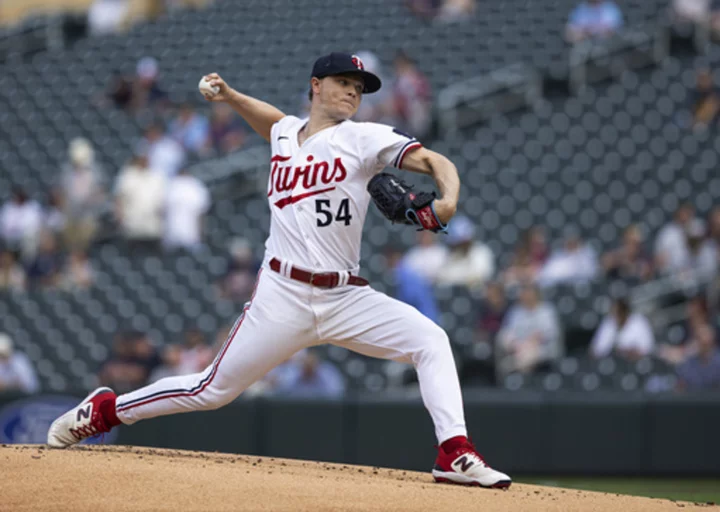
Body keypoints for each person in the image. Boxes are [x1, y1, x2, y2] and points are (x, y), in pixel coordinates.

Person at [48, 52, 511, 488]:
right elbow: (272, 122)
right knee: (212, 389)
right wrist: (231, 97)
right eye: (343, 83)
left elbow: (434, 161)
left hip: (344, 296)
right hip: (281, 294)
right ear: (316, 85)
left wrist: (447, 198)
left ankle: (454, 453)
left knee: (430, 340)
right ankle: (106, 411)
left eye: (359, 86)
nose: (353, 92)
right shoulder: (285, 133)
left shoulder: (363, 137)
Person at [496, 284, 563, 377]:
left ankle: (525, 382)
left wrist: (533, 341)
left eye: (529, 293)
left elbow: (552, 333)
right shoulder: (515, 312)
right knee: (502, 341)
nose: (526, 296)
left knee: (526, 358)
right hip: (519, 349)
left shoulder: (546, 310)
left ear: (535, 294)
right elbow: (507, 332)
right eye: (524, 293)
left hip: (542, 348)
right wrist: (514, 344)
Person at [114, 153, 167, 253]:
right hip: (132, 227)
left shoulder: (157, 176)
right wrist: (120, 219)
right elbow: (119, 199)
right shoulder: (128, 175)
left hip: (152, 228)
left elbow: (162, 203)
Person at [59, 138, 105, 251]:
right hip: (71, 215)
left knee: (86, 237)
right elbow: (62, 194)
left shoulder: (95, 173)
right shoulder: (67, 173)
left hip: (89, 216)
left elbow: (100, 195)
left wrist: (90, 201)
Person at [436, 215, 495, 289]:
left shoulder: (481, 252)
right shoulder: (448, 255)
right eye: (456, 244)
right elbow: (443, 277)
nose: (459, 246)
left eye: (462, 243)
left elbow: (481, 276)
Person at [386, 245, 441, 324]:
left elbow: (410, 299)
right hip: (420, 320)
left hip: (423, 319)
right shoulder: (404, 273)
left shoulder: (406, 275)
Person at [590, 298, 655, 360]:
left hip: (636, 363)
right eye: (613, 313)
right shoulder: (608, 322)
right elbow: (596, 351)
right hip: (612, 363)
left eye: (618, 312)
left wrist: (628, 351)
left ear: (625, 312)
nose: (615, 316)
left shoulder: (639, 321)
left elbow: (648, 348)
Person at [164, 168, 211, 251]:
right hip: (185, 235)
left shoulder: (170, 185)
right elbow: (201, 214)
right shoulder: (195, 186)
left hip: (175, 235)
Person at [392, 50, 432, 140]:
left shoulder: (412, 79)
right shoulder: (403, 79)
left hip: (414, 119)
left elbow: (423, 99)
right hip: (404, 119)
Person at [274, 350, 346, 398]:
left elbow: (337, 393)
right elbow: (282, 391)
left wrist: (317, 375)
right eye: (306, 364)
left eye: (312, 363)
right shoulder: (293, 372)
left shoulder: (327, 372)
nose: (309, 366)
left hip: (323, 409)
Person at [0, 188, 43, 259]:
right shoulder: (7, 207)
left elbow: (34, 226)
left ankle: (28, 261)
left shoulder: (32, 207)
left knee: (30, 241)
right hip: (8, 239)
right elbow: (4, 226)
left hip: (26, 240)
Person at [676, 324, 720, 391]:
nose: (702, 345)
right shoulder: (689, 363)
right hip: (694, 399)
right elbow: (680, 387)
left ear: (712, 342)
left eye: (706, 344)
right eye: (699, 340)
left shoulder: (718, 361)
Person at [655, 203, 695, 274]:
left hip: (695, 273)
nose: (685, 216)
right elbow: (661, 259)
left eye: (688, 213)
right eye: (683, 213)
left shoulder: (697, 229)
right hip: (673, 275)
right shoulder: (668, 232)